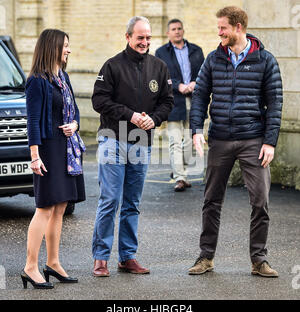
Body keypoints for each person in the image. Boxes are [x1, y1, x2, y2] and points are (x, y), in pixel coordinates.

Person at [189, 6, 282, 277]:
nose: (219, 33)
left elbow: (275, 102)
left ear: (238, 27)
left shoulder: (265, 60)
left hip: (254, 139)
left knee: (260, 201)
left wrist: (270, 142)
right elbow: (200, 95)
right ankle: (206, 257)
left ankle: (259, 260)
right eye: (218, 28)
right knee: (211, 200)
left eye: (223, 28)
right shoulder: (213, 58)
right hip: (219, 138)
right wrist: (196, 128)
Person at [92, 16, 173, 277]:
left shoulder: (159, 67)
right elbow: (99, 100)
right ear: (128, 37)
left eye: (148, 37)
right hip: (112, 138)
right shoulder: (112, 66)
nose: (145, 42)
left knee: (132, 203)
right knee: (110, 199)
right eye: (140, 37)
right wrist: (130, 115)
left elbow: (167, 102)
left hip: (141, 143)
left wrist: (155, 118)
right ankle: (101, 258)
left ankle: (127, 257)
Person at [22, 29, 86, 289]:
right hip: (48, 150)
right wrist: (35, 157)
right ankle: (29, 267)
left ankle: (53, 263)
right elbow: (33, 122)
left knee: (60, 207)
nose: (69, 50)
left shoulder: (63, 77)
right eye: (65, 46)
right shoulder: (37, 81)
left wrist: (75, 125)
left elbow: (76, 111)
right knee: (45, 207)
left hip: (66, 149)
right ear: (53, 47)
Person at [155, 19, 204, 192]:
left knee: (191, 139)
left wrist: (194, 82)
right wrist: (178, 85)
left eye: (179, 28)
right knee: (175, 141)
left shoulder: (196, 51)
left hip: (195, 99)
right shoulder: (161, 53)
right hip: (173, 101)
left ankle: (178, 168)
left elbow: (204, 73)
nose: (177, 31)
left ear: (183, 31)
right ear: (168, 33)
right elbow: (161, 77)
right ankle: (181, 177)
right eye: (173, 29)